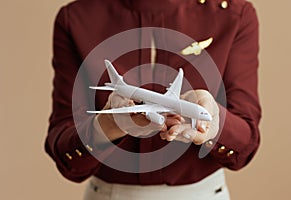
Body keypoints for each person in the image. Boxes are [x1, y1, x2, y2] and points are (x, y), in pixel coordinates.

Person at [45, 0, 261, 199]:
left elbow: (246, 143)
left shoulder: (233, 14)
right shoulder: (77, 18)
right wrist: (107, 126)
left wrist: (214, 124)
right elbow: (64, 151)